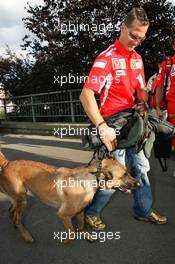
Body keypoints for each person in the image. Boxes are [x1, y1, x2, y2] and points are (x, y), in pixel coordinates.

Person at [80, 7, 167, 231]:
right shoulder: (106, 58)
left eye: (141, 38)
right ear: (122, 28)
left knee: (140, 170)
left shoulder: (137, 58)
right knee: (112, 178)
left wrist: (142, 102)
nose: (137, 42)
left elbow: (139, 88)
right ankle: (91, 213)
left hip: (134, 125)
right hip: (112, 127)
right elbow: (86, 94)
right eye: (133, 36)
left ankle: (143, 211)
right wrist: (102, 127)